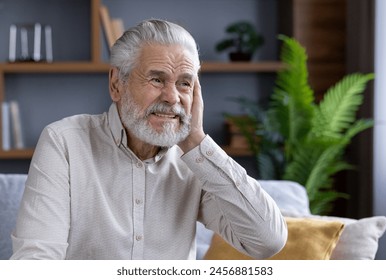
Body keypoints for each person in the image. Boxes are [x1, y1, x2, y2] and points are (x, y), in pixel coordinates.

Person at [11, 19, 287, 260]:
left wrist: (196, 142)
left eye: (184, 83)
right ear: (116, 85)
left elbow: (267, 242)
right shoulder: (64, 143)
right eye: (157, 79)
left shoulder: (196, 162)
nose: (172, 97)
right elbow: (37, 259)